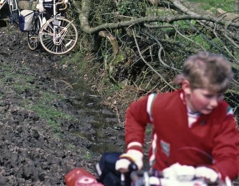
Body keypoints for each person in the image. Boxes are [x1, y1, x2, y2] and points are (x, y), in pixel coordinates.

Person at [96, 52, 239, 186]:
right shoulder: (161, 104)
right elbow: (134, 114)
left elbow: (230, 158)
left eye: (219, 95)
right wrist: (134, 149)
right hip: (160, 178)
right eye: (208, 96)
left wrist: (215, 172)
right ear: (187, 86)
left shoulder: (222, 114)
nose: (215, 102)